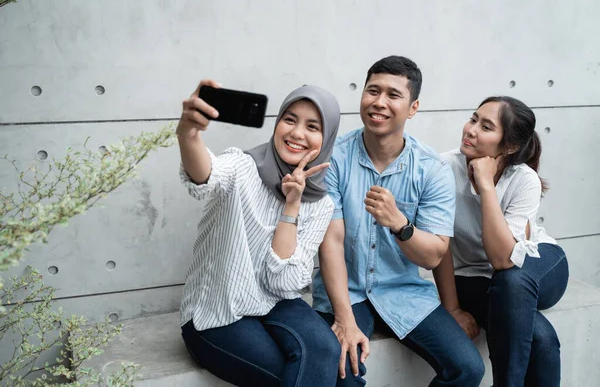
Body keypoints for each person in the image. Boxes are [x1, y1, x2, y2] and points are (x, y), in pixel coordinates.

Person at [312, 56, 485, 386]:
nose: (379, 102)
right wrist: (345, 319)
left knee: (468, 367)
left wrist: (400, 224)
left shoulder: (432, 170)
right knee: (343, 372)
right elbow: (330, 243)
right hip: (344, 292)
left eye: (393, 95)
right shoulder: (334, 158)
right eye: (372, 91)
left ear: (413, 107)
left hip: (403, 291)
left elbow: (434, 254)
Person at [177, 79, 342, 387]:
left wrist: (291, 206)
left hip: (276, 301)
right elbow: (205, 175)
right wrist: (188, 132)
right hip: (219, 311)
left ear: (327, 137)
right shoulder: (242, 167)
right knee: (300, 377)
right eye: (289, 120)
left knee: (330, 357)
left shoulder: (320, 203)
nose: (296, 133)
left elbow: (284, 282)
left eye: (312, 126)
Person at [436, 96, 569, 387]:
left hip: (538, 264)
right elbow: (440, 243)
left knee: (513, 280)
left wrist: (486, 185)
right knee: (542, 340)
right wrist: (452, 309)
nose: (471, 130)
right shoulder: (444, 168)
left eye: (486, 126)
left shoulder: (524, 180)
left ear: (509, 146)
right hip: (475, 276)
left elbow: (504, 259)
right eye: (473, 119)